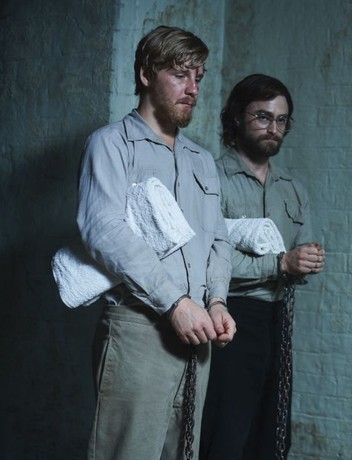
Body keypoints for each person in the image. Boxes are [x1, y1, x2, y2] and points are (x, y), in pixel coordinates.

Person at [77, 25, 236, 460]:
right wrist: (175, 303)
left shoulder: (202, 160)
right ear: (146, 74)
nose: (193, 89)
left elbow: (218, 239)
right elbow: (103, 229)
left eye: (198, 77)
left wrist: (217, 301)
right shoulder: (110, 144)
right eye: (180, 75)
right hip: (139, 331)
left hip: (198, 329)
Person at [200, 74, 325, 460]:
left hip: (278, 317)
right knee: (226, 432)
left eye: (281, 120)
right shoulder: (210, 178)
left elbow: (298, 256)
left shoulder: (293, 188)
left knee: (271, 433)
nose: (274, 128)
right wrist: (282, 262)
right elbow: (205, 258)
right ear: (237, 117)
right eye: (263, 117)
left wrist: (305, 261)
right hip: (228, 318)